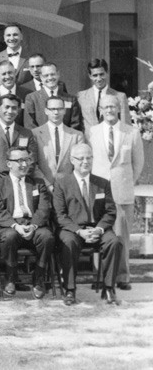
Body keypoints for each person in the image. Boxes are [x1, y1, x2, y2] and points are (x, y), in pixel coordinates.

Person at [54, 143, 125, 306]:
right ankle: (70, 289)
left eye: (89, 158)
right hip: (73, 229)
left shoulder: (102, 183)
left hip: (97, 227)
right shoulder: (62, 183)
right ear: (72, 160)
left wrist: (99, 229)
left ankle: (109, 288)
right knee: (68, 242)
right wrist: (79, 231)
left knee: (114, 242)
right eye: (81, 158)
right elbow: (60, 215)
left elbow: (110, 211)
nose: (85, 162)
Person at [88, 93, 143, 289]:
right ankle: (100, 277)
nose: (109, 110)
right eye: (106, 107)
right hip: (99, 192)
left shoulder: (131, 132)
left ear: (119, 109)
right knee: (99, 233)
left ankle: (122, 277)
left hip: (122, 191)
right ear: (100, 111)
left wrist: (126, 181)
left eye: (113, 106)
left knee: (121, 237)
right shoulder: (91, 132)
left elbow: (138, 163)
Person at [0, 146, 55, 299]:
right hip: (8, 226)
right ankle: (10, 278)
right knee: (9, 236)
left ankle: (38, 278)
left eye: (27, 160)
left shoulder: (37, 182)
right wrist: (16, 226)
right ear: (8, 164)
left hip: (33, 225)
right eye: (19, 161)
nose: (24, 164)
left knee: (47, 237)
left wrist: (34, 225)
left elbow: (44, 209)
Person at [0, 94, 38, 185]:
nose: (10, 111)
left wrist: (19, 178)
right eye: (7, 107)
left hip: (21, 183)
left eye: (14, 108)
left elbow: (31, 161)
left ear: (18, 111)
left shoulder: (26, 133)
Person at [32, 96, 85, 184]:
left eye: (59, 109)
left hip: (69, 187)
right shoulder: (35, 134)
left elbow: (80, 164)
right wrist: (47, 185)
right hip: (44, 186)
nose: (56, 112)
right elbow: (33, 164)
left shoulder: (77, 135)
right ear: (46, 111)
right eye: (52, 109)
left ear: (64, 110)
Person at [77, 58, 132, 131]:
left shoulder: (120, 97)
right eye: (95, 75)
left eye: (101, 74)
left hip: (111, 140)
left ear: (107, 73)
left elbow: (126, 125)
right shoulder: (81, 96)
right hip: (88, 141)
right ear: (90, 76)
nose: (99, 79)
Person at [23, 63, 80, 130]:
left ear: (58, 74)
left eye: (52, 74)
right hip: (40, 139)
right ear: (41, 77)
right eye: (46, 75)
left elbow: (75, 124)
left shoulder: (71, 99)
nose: (50, 78)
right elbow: (29, 125)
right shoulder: (32, 98)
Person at [0, 60, 33, 126]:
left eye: (10, 73)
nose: (7, 77)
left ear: (15, 72)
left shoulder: (28, 94)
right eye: (3, 74)